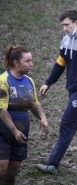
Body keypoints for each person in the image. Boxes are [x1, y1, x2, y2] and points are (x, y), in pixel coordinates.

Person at [35, 9, 77, 173]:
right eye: (62, 25)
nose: (64, 28)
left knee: (66, 125)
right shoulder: (66, 40)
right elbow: (60, 63)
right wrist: (48, 82)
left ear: (76, 23)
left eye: (67, 25)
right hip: (73, 91)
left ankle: (53, 163)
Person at [0, 45, 49, 185]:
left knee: (12, 171)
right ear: (16, 63)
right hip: (3, 132)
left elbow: (34, 103)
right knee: (2, 168)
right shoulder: (3, 81)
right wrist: (14, 131)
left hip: (21, 134)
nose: (31, 64)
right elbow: (2, 110)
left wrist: (43, 117)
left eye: (31, 61)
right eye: (27, 61)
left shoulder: (29, 81)